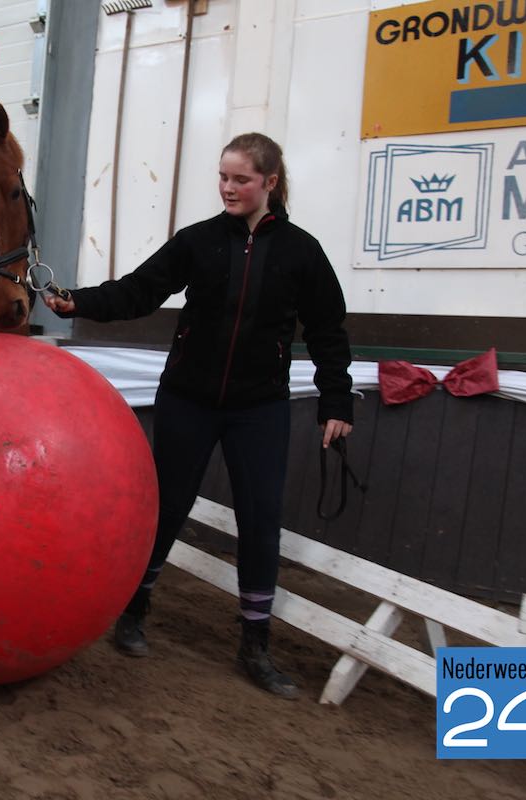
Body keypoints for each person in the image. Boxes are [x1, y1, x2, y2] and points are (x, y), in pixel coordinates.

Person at [44, 133, 353, 699]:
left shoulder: (301, 252)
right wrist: (79, 301)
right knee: (165, 508)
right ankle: (134, 611)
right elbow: (140, 291)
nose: (228, 188)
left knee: (260, 521)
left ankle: (255, 644)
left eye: (241, 179)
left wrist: (337, 400)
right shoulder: (198, 241)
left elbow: (328, 330)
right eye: (223, 177)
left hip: (260, 408)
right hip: (188, 399)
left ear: (270, 183)